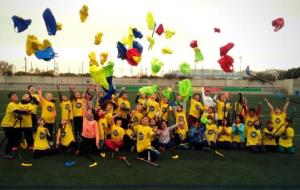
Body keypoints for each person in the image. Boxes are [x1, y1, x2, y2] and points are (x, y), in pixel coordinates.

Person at [77, 93, 101, 166]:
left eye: (90, 112)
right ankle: (82, 150)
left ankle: (95, 150)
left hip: (92, 138)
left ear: (92, 114)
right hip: (84, 137)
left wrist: (97, 142)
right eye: (87, 112)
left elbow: (97, 133)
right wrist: (85, 100)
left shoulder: (94, 122)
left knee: (96, 151)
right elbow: (84, 108)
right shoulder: (84, 118)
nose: (88, 112)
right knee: (80, 153)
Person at [1, 92, 21, 159]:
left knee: (13, 138)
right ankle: (7, 153)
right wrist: (26, 112)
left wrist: (18, 117)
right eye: (13, 95)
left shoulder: (16, 105)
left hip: (11, 125)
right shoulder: (11, 104)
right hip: (7, 124)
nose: (16, 96)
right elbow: (17, 111)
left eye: (16, 95)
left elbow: (16, 114)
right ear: (10, 98)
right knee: (11, 139)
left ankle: (9, 151)